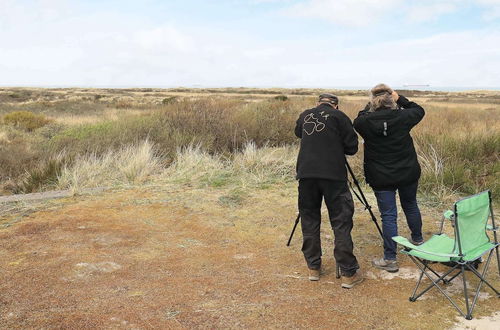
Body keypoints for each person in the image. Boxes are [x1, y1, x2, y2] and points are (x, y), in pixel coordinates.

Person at [353, 83, 425, 273]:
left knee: (388, 215)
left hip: (381, 176)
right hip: (407, 172)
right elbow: (418, 109)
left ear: (373, 103)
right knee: (410, 204)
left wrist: (372, 104)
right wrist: (398, 97)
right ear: (391, 100)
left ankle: (390, 259)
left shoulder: (364, 122)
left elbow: (359, 117)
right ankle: (417, 240)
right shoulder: (404, 117)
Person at [295, 93, 363, 289]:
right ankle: (348, 273)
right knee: (341, 221)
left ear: (318, 103)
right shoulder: (340, 117)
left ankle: (313, 268)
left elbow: (299, 133)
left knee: (309, 219)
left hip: (306, 175)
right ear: (336, 106)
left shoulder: (306, 114)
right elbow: (352, 148)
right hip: (334, 176)